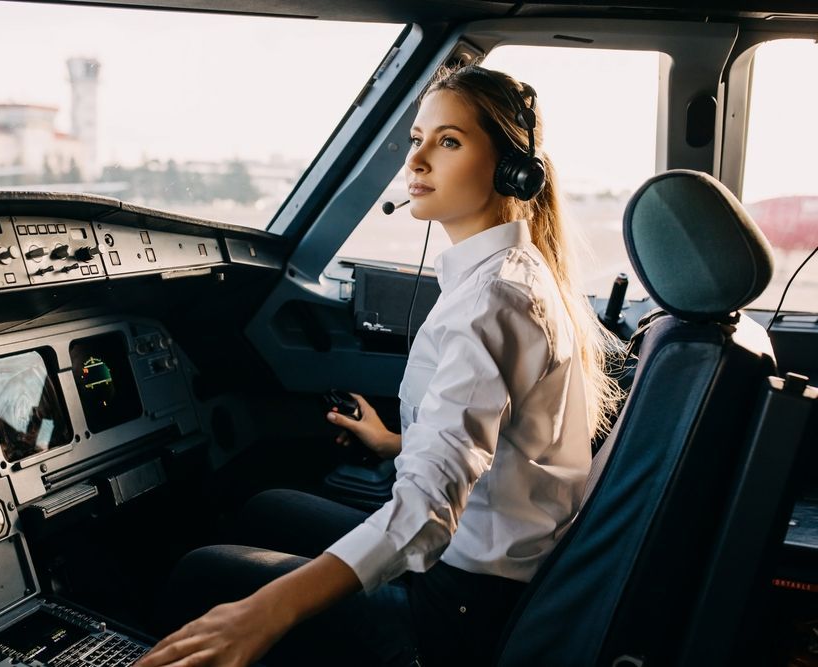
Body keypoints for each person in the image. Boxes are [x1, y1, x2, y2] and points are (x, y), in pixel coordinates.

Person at [135, 62, 621, 667]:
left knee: (203, 575)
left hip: (460, 608)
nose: (416, 161)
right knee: (265, 507)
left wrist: (267, 610)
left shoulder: (494, 299)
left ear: (508, 170)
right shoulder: (508, 277)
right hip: (484, 566)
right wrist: (395, 442)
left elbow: (427, 513)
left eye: (448, 141)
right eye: (417, 139)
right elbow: (498, 449)